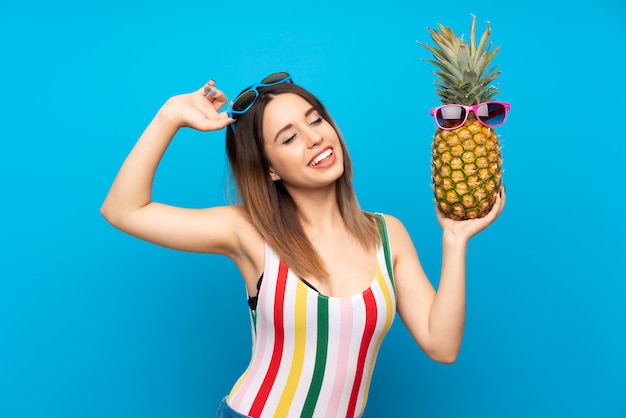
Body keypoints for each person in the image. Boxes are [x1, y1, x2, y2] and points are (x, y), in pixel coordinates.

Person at [101, 72, 506, 418]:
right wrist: (170, 115)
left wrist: (454, 239)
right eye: (289, 137)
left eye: (316, 120)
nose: (315, 138)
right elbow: (123, 210)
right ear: (271, 169)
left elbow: (442, 345)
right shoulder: (249, 232)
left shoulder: (387, 234)